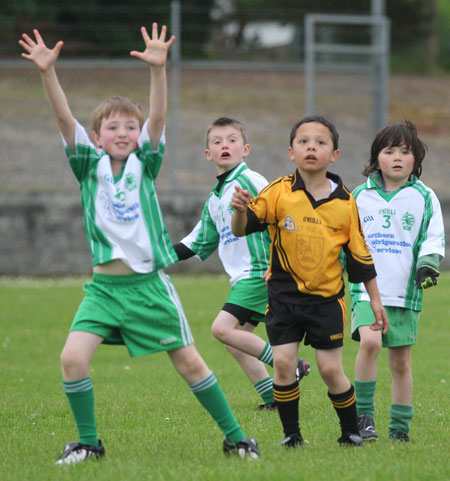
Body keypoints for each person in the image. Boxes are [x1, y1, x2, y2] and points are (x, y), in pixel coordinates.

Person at [19, 25, 260, 465]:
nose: (124, 131)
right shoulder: (86, 165)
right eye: (113, 127)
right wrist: (47, 73)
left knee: (189, 364)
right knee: (72, 359)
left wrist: (159, 70)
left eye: (131, 126)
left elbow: (159, 118)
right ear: (97, 137)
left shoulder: (145, 165)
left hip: (149, 288)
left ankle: (238, 439)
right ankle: (89, 444)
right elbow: (62, 118)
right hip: (104, 290)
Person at [231, 115, 389, 447]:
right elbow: (241, 228)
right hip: (283, 298)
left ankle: (350, 432)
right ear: (291, 152)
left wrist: (375, 300)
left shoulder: (346, 203)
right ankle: (292, 436)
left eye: (320, 142)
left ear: (334, 154)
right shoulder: (278, 193)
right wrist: (240, 210)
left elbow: (361, 259)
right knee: (285, 364)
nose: (311, 147)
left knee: (331, 370)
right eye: (303, 142)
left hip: (326, 301)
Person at [173, 117, 310, 411]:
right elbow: (196, 242)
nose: (225, 145)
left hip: (260, 273)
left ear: (245, 149)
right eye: (218, 141)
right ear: (208, 154)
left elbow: (283, 216)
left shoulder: (251, 181)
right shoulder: (215, 197)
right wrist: (156, 257)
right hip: (243, 278)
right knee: (234, 341)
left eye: (232, 140)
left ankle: (290, 364)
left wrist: (283, 263)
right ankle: (274, 397)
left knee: (222, 329)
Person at [349, 120, 445, 443]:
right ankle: (363, 419)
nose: (398, 158)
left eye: (405, 152)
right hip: (365, 289)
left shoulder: (424, 197)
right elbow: (343, 237)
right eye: (389, 151)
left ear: (415, 159)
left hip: (404, 293)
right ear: (377, 159)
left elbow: (434, 237)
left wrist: (428, 264)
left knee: (401, 362)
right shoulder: (359, 197)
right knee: (370, 342)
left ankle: (399, 430)